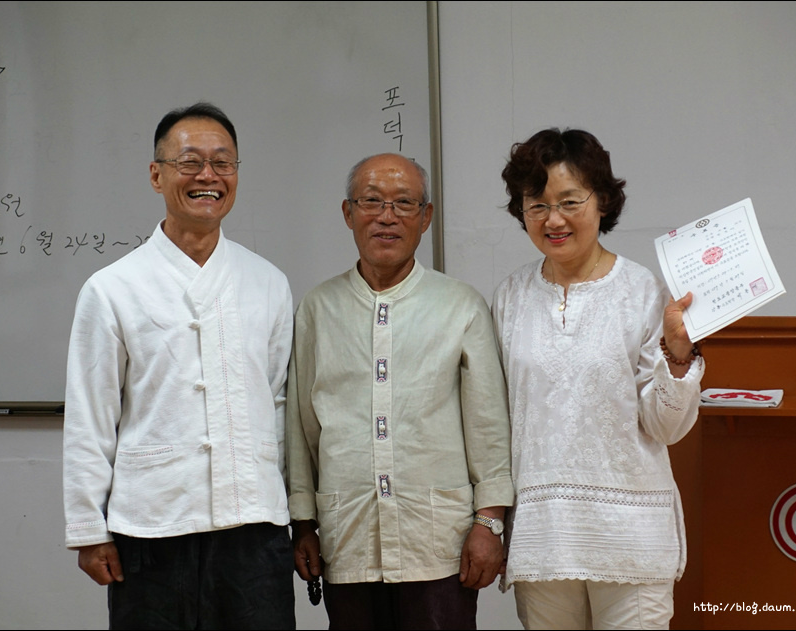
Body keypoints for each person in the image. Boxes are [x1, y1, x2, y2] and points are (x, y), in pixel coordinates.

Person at [62, 102, 296, 630]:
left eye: (223, 163)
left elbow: (277, 400)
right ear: (156, 174)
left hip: (253, 524)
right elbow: (90, 414)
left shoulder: (268, 282)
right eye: (190, 162)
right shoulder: (111, 288)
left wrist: (293, 511)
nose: (207, 176)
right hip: (151, 524)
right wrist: (87, 527)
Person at [286, 153, 513, 630]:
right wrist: (303, 523)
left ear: (425, 217)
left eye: (403, 204)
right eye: (371, 201)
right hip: (347, 537)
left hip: (437, 541)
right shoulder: (317, 309)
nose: (386, 216)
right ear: (348, 213)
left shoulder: (461, 306)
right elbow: (302, 429)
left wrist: (490, 522)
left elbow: (489, 426)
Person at [492, 128, 705, 630]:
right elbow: (496, 420)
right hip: (544, 536)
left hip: (631, 539)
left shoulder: (643, 291)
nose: (554, 219)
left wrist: (678, 353)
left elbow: (666, 428)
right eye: (537, 204)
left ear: (602, 201)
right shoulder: (510, 297)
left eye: (570, 201)